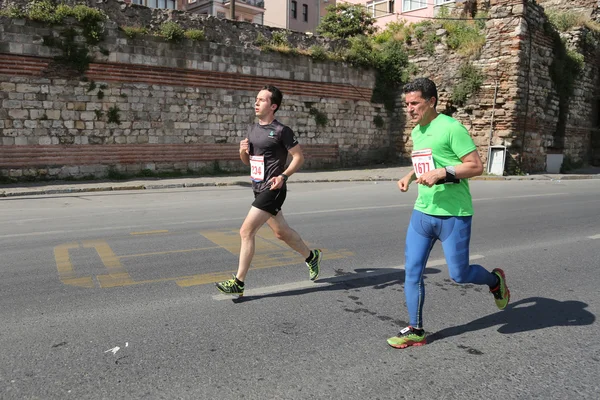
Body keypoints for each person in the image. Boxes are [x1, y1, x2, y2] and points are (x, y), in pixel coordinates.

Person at [387, 78, 510, 349]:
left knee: (459, 274)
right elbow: (429, 163)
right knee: (412, 271)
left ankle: (495, 280)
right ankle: (415, 329)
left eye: (414, 103)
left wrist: (443, 173)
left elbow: (475, 166)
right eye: (406, 104)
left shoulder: (452, 128)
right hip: (423, 212)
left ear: (431, 101)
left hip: (454, 214)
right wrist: (410, 175)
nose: (409, 109)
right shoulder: (418, 131)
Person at [215, 85, 322, 297]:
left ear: (273, 106)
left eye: (262, 100)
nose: (256, 103)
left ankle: (239, 282)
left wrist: (283, 176)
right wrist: (241, 152)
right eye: (256, 99)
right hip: (257, 187)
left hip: (274, 189)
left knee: (246, 231)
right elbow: (249, 161)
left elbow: (299, 158)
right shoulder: (252, 130)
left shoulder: (282, 131)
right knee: (281, 233)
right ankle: (312, 257)